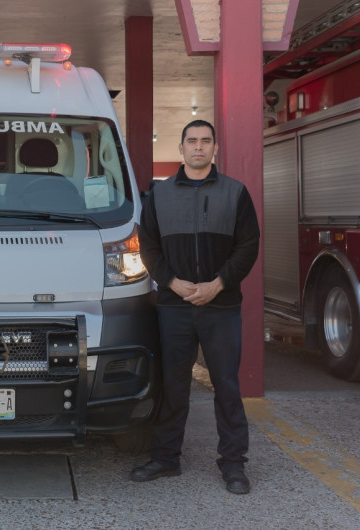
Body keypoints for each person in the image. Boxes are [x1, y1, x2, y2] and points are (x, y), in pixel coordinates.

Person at [133, 120, 260, 494]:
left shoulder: (235, 193)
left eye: (206, 141)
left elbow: (248, 245)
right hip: (174, 306)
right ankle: (166, 458)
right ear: (181, 148)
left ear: (215, 148)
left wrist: (217, 284)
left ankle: (233, 464)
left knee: (227, 386)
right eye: (192, 141)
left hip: (221, 306)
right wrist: (172, 282)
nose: (199, 147)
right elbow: (148, 246)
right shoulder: (159, 195)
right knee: (173, 384)